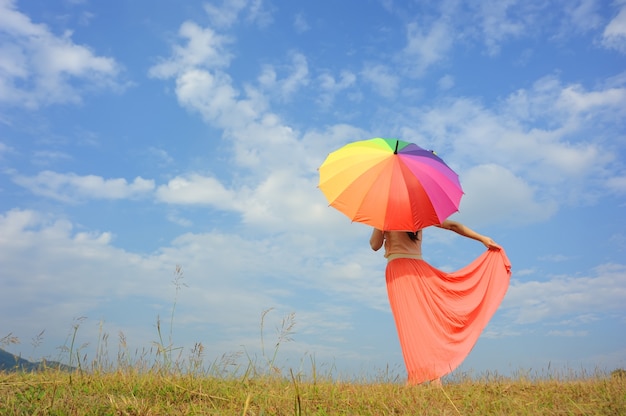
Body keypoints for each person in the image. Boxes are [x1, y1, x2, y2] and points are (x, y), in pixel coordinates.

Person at [370, 219, 511, 386]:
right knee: (423, 324)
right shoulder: (417, 215)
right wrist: (483, 238)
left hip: (399, 271)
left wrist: (381, 223)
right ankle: (431, 377)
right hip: (418, 269)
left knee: (410, 326)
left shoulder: (386, 216)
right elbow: (453, 225)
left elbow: (374, 245)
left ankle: (422, 377)